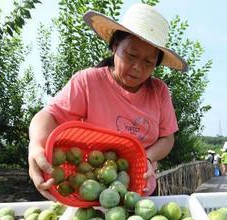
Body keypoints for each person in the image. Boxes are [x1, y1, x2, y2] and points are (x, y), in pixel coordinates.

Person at [27, 4, 187, 200]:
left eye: (148, 62)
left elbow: (167, 138)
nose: (137, 68)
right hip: (94, 191)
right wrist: (36, 145)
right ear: (114, 46)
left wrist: (147, 157)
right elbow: (49, 115)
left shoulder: (159, 91)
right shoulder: (88, 82)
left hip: (143, 190)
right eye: (131, 55)